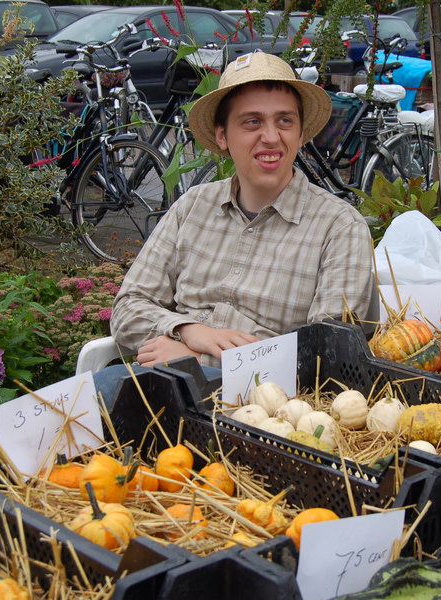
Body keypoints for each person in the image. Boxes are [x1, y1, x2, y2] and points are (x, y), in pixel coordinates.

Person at [99, 51, 373, 400]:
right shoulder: (193, 207)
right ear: (223, 136)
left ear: (301, 133)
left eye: (285, 121)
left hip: (266, 409)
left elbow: (327, 358)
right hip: (164, 382)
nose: (271, 137)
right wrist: (188, 330)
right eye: (252, 122)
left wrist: (200, 359)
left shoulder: (338, 227)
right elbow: (127, 309)